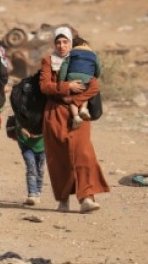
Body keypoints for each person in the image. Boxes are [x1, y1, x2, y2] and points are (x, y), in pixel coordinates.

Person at [40, 26, 109, 214]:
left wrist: (72, 99)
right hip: (54, 114)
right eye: (58, 42)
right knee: (59, 159)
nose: (62, 46)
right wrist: (66, 86)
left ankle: (87, 197)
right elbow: (45, 86)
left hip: (79, 115)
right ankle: (63, 199)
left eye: (65, 42)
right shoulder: (48, 61)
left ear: (72, 43)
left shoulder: (81, 62)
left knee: (84, 154)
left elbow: (93, 85)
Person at [59, 36, 101, 129]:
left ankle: (76, 116)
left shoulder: (71, 53)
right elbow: (98, 67)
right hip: (87, 77)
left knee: (73, 96)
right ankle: (83, 108)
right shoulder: (93, 54)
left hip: (72, 76)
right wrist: (95, 75)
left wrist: (62, 80)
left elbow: (64, 67)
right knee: (84, 93)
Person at [16, 122, 46, 206]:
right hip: (26, 145)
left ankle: (38, 192)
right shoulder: (22, 110)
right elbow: (17, 119)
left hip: (43, 145)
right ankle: (32, 193)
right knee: (31, 167)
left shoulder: (43, 111)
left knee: (40, 170)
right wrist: (21, 128)